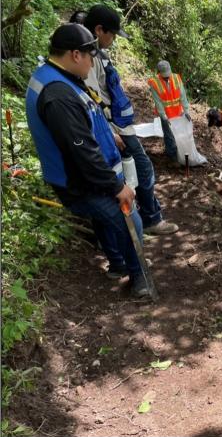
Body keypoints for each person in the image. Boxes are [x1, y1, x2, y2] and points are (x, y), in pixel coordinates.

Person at [25, 23, 150, 297]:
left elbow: (85, 122)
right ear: (75, 54)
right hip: (79, 181)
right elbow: (81, 152)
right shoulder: (58, 96)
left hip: (85, 175)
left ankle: (118, 264)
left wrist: (109, 134)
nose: (93, 62)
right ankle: (140, 279)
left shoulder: (57, 76)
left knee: (106, 220)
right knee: (130, 219)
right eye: (90, 56)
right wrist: (117, 188)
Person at [80, 5, 179, 236]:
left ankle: (140, 220)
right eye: (112, 34)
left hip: (120, 125)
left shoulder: (97, 53)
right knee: (142, 170)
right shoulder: (88, 58)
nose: (114, 39)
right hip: (113, 128)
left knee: (135, 171)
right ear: (98, 29)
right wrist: (110, 132)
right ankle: (148, 221)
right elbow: (92, 101)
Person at [147, 60, 191, 163]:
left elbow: (183, 95)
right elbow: (158, 102)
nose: (167, 77)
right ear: (159, 73)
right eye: (164, 76)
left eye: (168, 74)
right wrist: (164, 116)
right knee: (169, 136)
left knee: (179, 135)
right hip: (166, 115)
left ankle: (180, 153)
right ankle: (172, 158)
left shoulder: (176, 78)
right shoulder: (155, 83)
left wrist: (186, 110)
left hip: (177, 112)